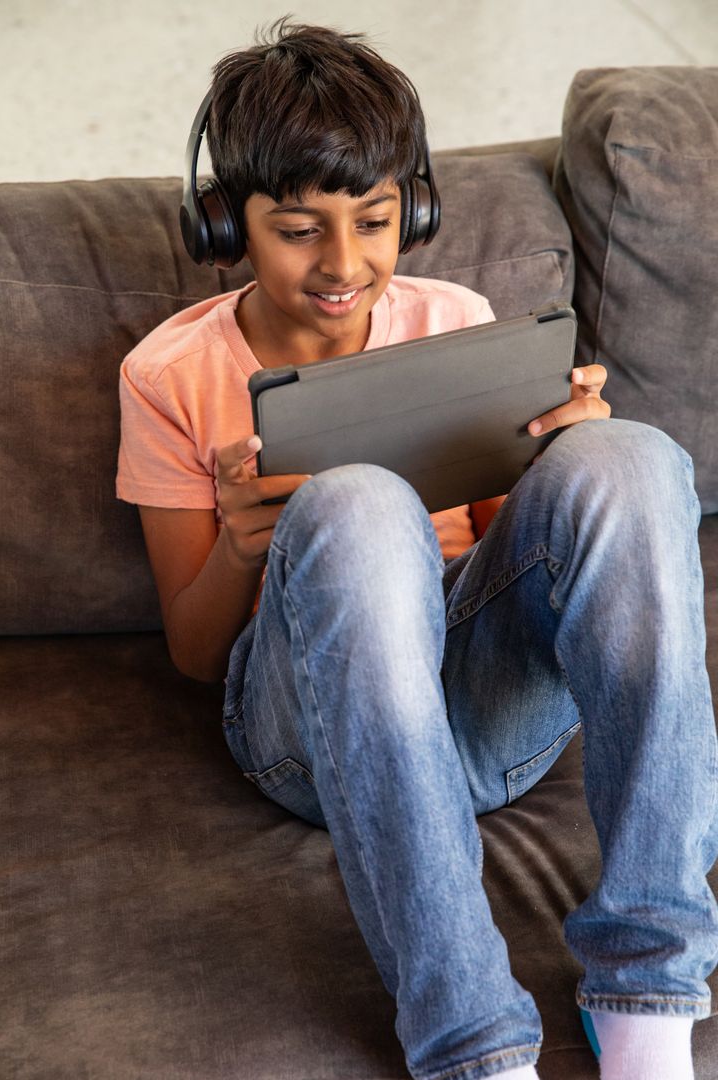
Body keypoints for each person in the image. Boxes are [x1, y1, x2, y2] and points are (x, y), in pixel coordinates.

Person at [116, 19, 718, 1080]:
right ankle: (474, 1045)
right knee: (354, 506)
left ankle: (649, 1000)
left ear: (417, 209)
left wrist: (561, 471)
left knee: (632, 455)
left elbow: (509, 575)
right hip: (313, 739)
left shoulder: (457, 319)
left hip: (488, 725)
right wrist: (249, 549)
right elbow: (196, 655)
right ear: (226, 225)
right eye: (299, 229)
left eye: (378, 220)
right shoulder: (165, 375)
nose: (344, 266)